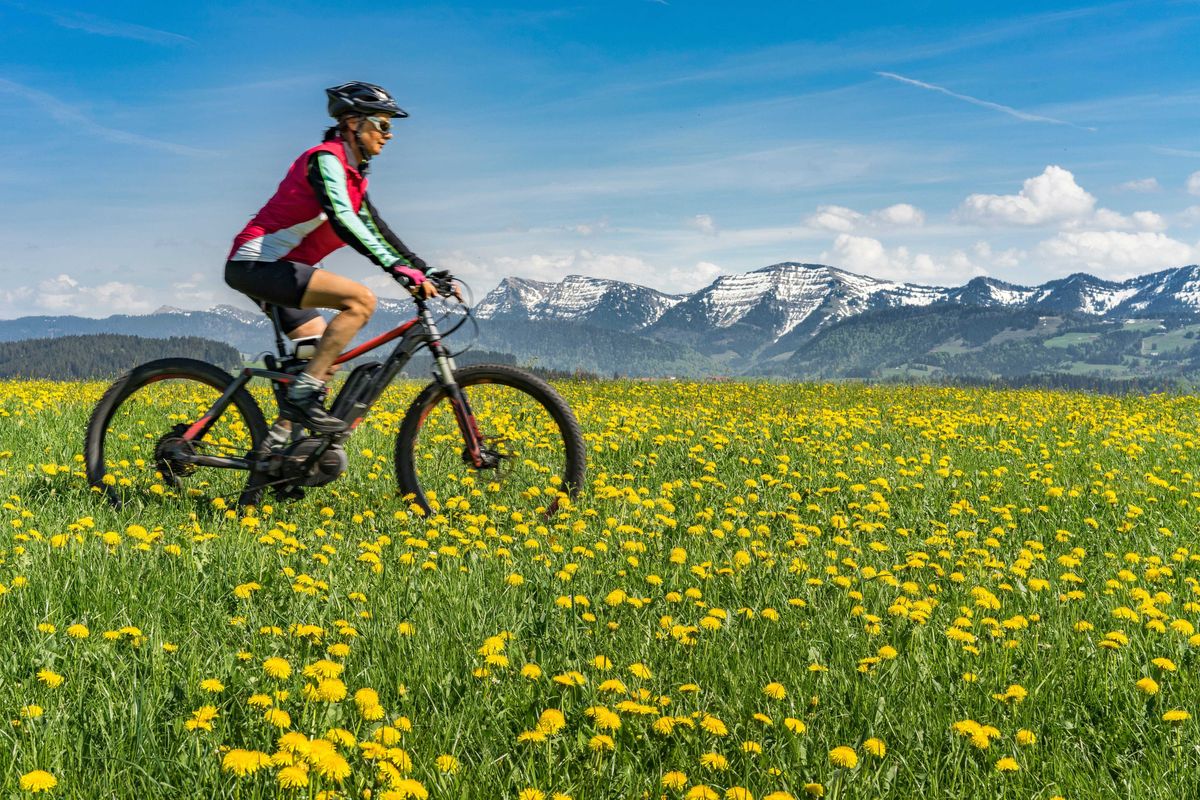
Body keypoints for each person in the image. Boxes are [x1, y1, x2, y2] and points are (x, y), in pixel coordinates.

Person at [225, 81, 440, 434]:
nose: (390, 135)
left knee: (319, 353)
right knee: (360, 301)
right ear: (354, 123)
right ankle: (301, 397)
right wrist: (397, 269)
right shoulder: (326, 159)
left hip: (279, 269)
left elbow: (378, 229)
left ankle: (280, 447)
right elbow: (344, 220)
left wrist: (423, 268)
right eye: (383, 124)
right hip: (256, 264)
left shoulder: (353, 178)